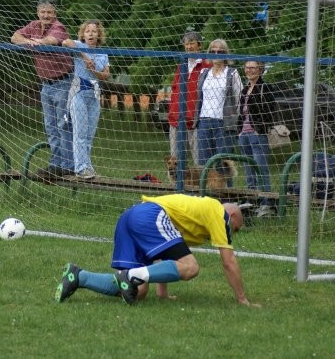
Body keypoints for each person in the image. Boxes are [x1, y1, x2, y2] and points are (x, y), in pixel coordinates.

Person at [55, 194, 260, 307]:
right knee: (191, 267)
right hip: (149, 215)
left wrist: (162, 293)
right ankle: (131, 275)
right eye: (237, 228)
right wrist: (242, 299)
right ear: (232, 215)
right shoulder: (218, 213)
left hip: (130, 217)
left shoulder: (196, 221)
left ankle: (78, 277)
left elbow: (167, 254)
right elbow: (228, 261)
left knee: (139, 291)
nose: (235, 232)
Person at [11, 0, 74, 177]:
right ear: (38, 13)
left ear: (55, 14)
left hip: (63, 82)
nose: (46, 15)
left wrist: (36, 42)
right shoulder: (33, 25)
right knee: (50, 126)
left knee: (63, 124)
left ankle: (68, 165)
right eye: (43, 12)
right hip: (46, 85)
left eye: (49, 12)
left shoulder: (58, 27)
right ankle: (56, 163)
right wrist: (29, 41)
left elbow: (50, 40)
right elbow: (14, 37)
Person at [62, 20, 110, 179]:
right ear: (83, 34)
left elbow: (106, 75)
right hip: (79, 94)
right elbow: (65, 42)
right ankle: (80, 168)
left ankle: (88, 166)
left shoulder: (103, 53)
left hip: (94, 95)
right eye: (87, 31)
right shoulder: (78, 45)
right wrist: (84, 57)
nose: (90, 33)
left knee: (89, 134)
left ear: (99, 35)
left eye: (94, 31)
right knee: (80, 133)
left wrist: (93, 70)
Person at [194, 39, 242, 183]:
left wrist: (234, 121)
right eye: (213, 51)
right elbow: (199, 97)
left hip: (224, 124)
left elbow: (239, 98)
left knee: (224, 164)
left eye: (220, 51)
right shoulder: (203, 72)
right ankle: (205, 199)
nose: (216, 54)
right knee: (204, 164)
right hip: (204, 122)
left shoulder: (232, 73)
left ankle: (227, 199)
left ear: (225, 54)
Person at [237, 61, 278, 217]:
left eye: (253, 67)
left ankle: (266, 201)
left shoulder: (265, 88)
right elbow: (241, 113)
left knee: (261, 168)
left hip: (257, 135)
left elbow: (270, 112)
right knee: (248, 169)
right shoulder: (245, 89)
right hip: (243, 135)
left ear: (260, 70)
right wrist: (239, 131)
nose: (249, 70)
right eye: (247, 67)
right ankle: (251, 200)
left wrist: (258, 129)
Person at [168, 31, 212, 165]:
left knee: (199, 160)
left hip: (196, 121)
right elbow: (175, 89)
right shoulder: (181, 65)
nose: (188, 47)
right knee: (175, 160)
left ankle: (199, 185)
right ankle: (177, 185)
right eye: (186, 44)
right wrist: (172, 111)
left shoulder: (207, 66)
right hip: (176, 119)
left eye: (192, 43)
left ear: (200, 45)